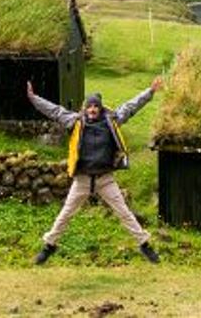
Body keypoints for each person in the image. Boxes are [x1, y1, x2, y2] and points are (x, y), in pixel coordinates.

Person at [26, 77, 163, 265]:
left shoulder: (112, 120)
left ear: (100, 108)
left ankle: (145, 246)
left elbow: (131, 106)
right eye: (89, 107)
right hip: (82, 180)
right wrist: (34, 98)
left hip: (105, 179)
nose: (92, 110)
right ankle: (49, 246)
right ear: (85, 108)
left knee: (124, 213)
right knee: (65, 214)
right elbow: (55, 111)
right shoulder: (75, 122)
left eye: (95, 107)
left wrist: (150, 91)